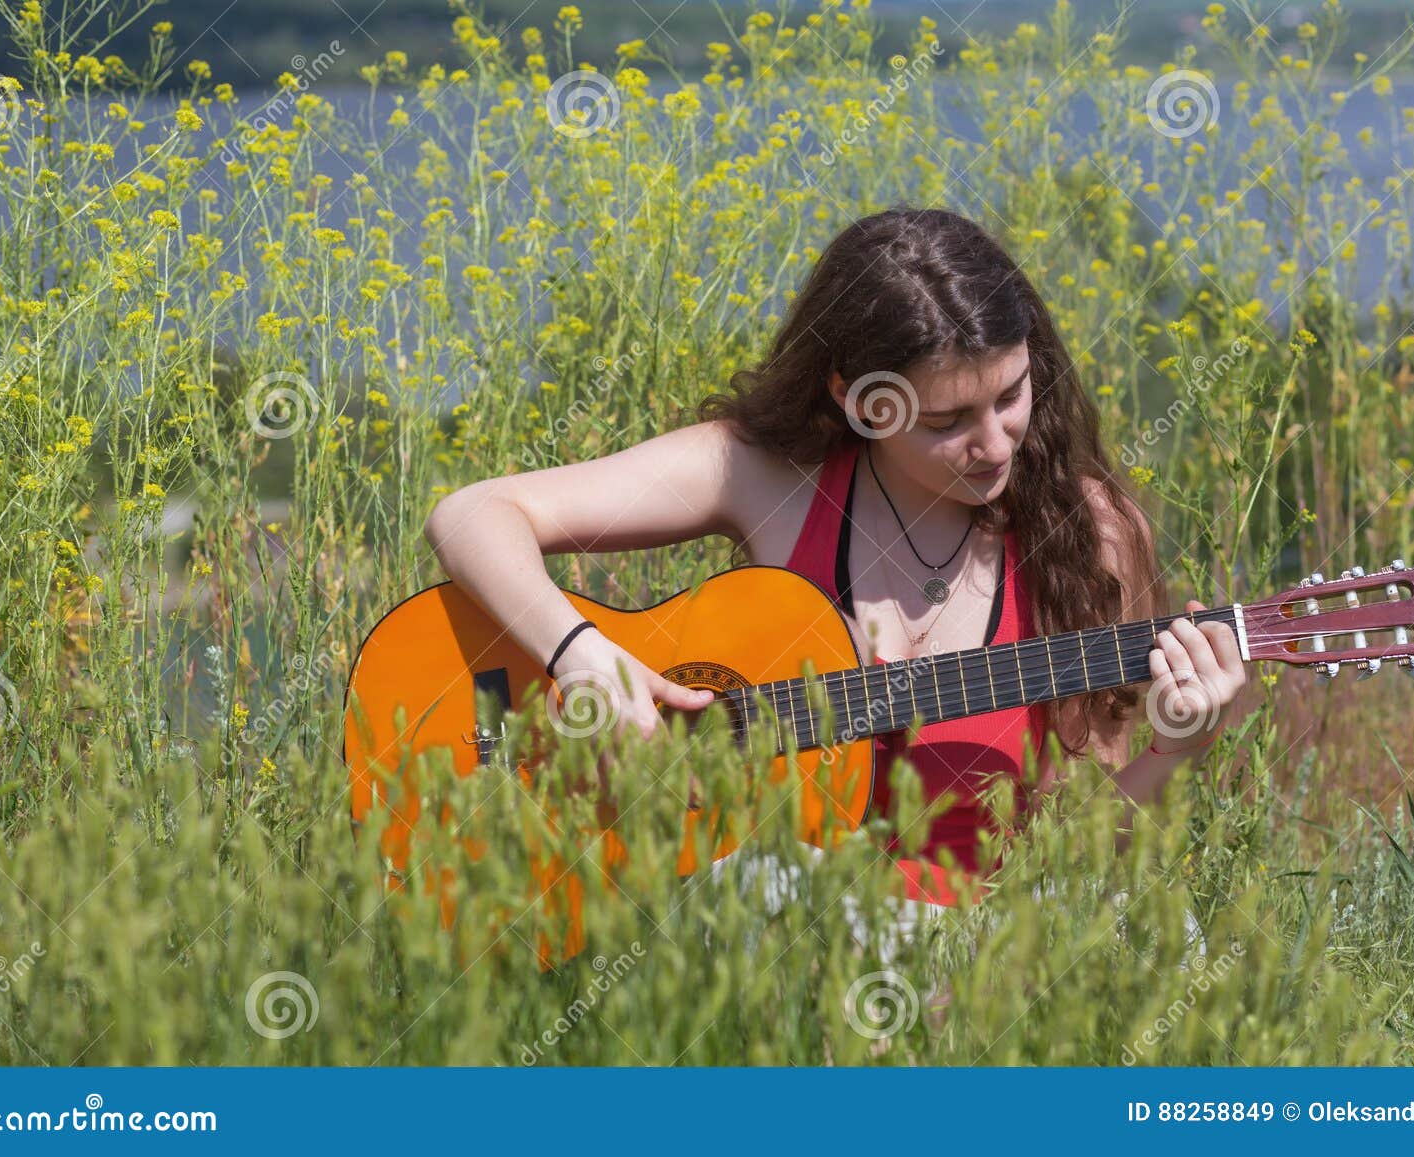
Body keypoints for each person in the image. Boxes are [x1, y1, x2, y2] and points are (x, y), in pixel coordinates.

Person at [422, 205, 1248, 930]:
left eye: (1010, 396)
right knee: (761, 880)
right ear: (860, 398)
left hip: (972, 952)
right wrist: (581, 656)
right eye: (948, 419)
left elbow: (1082, 861)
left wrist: (1178, 746)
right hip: (767, 920)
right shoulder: (768, 479)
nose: (995, 444)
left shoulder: (1088, 538)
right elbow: (470, 515)